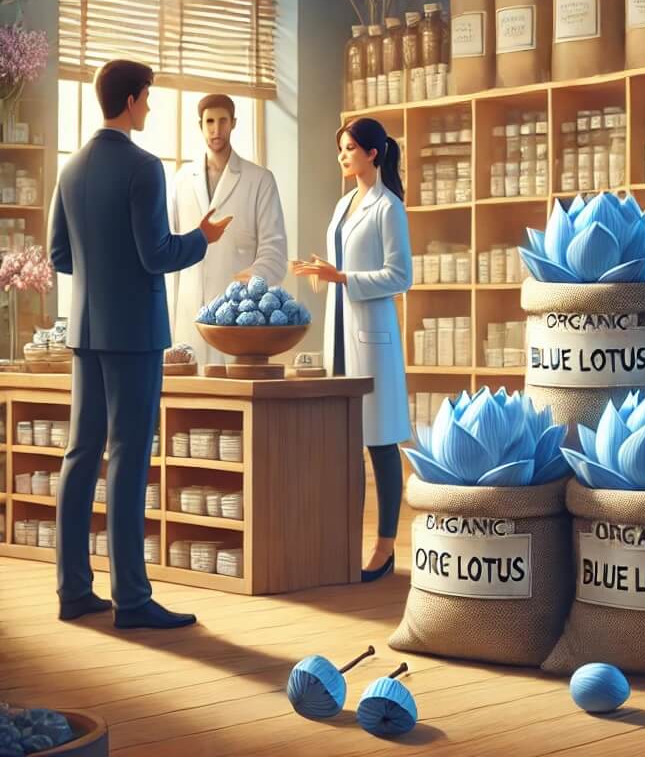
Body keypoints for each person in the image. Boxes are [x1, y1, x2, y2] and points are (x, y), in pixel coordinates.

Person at [49, 59, 232, 629]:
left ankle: (74, 590)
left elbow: (60, 256)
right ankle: (131, 599)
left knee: (81, 455)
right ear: (130, 100)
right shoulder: (144, 167)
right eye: (148, 98)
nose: (150, 108)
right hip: (134, 335)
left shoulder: (72, 169)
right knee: (128, 457)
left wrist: (102, 272)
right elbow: (157, 255)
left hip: (85, 332)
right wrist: (201, 238)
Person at [292, 118, 411, 582]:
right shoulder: (344, 205)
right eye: (340, 149)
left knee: (379, 441)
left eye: (349, 149)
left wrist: (344, 279)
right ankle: (344, 542)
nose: (342, 156)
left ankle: (384, 547)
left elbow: (401, 276)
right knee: (346, 444)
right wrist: (324, 275)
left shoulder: (388, 208)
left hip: (372, 339)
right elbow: (340, 267)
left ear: (373, 154)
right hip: (340, 335)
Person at [169, 93, 287, 364]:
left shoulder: (259, 180)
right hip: (188, 317)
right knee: (190, 401)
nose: (216, 129)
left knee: (236, 398)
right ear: (200, 125)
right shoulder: (181, 181)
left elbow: (275, 252)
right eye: (209, 121)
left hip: (240, 319)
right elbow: (171, 252)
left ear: (234, 123)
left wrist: (248, 286)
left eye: (223, 121)